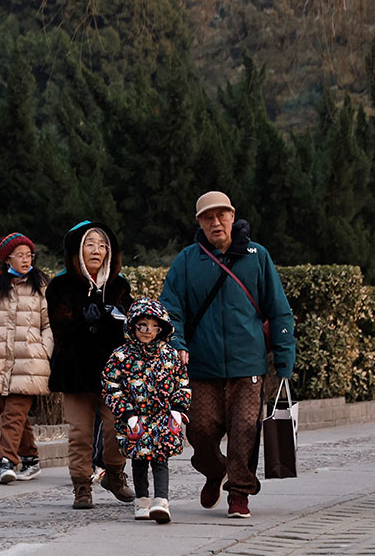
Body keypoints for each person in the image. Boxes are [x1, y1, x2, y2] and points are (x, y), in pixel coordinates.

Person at [159, 191, 295, 519]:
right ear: (199, 223)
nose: (216, 222)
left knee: (245, 429)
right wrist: (178, 345)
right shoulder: (187, 261)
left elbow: (279, 310)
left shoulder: (257, 256)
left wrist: (284, 358)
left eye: (222, 215)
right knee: (200, 431)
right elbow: (170, 309)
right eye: (208, 217)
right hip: (201, 367)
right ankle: (214, 470)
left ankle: (239, 493)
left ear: (233, 217)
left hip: (247, 364)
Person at [45, 220, 136, 509]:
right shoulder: (60, 286)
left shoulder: (119, 285)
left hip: (113, 373)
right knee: (80, 433)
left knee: (116, 428)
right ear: (76, 249)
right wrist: (88, 319)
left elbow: (129, 324)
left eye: (103, 245)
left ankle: (114, 474)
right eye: (90, 244)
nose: (97, 250)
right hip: (75, 371)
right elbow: (61, 327)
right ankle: (82, 486)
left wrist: (111, 320)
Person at [102, 298, 192, 523]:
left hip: (163, 416)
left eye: (153, 326)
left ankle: (161, 500)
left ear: (161, 328)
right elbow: (111, 385)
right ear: (132, 325)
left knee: (160, 459)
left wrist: (178, 408)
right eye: (142, 325)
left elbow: (182, 383)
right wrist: (127, 413)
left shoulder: (169, 355)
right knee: (139, 460)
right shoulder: (121, 356)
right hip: (135, 418)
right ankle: (142, 500)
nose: (148, 331)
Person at [0, 232, 53, 484]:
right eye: (20, 255)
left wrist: (43, 350)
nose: (26, 259)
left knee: (14, 413)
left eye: (29, 254)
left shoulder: (40, 285)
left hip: (29, 360)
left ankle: (5, 461)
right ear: (7, 258)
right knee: (13, 414)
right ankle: (30, 458)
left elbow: (49, 324)